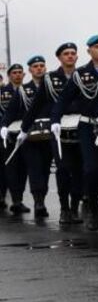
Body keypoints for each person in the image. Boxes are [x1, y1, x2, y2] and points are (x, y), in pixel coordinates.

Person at [51, 36, 98, 232]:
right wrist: (55, 119)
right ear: (89, 51)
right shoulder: (80, 74)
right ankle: (92, 208)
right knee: (91, 169)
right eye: (97, 47)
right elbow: (63, 99)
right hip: (88, 127)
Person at [41, 43, 85, 225]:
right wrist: (24, 128)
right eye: (66, 54)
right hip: (59, 130)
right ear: (59, 58)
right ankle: (64, 209)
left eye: (73, 53)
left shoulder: (84, 75)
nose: (70, 56)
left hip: (81, 128)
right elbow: (38, 103)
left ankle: (75, 207)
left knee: (80, 170)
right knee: (63, 169)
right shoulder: (50, 78)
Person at [5, 55, 53, 219]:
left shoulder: (54, 86)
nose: (39, 68)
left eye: (41, 65)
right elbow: (10, 112)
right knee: (34, 168)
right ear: (30, 70)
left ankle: (42, 198)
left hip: (49, 136)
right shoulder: (23, 90)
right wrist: (3, 126)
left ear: (45, 68)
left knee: (45, 169)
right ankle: (38, 202)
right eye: (35, 66)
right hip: (30, 137)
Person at [1, 64, 29, 214]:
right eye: (14, 73)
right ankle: (15, 200)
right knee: (9, 167)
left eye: (20, 72)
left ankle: (19, 198)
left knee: (23, 168)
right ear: (9, 75)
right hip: (6, 134)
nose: (17, 75)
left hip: (23, 133)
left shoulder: (28, 91)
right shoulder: (3, 93)